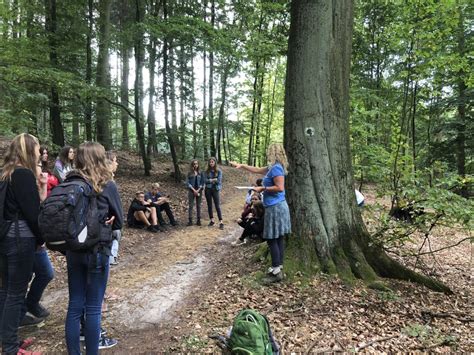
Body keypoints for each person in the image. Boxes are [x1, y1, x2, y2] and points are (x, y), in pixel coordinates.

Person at [64, 142, 123, 355]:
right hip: (98, 250)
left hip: (73, 251)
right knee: (94, 308)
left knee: (74, 305)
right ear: (99, 158)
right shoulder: (107, 183)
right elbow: (119, 222)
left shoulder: (69, 182)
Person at [0, 133, 47, 355]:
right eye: (37, 148)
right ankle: (10, 348)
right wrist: (41, 239)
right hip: (20, 240)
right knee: (16, 292)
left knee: (6, 290)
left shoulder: (5, 173)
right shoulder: (23, 174)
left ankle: (8, 340)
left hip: (5, 238)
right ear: (29, 150)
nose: (39, 152)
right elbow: (32, 213)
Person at [230, 143, 291, 284]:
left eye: (269, 151)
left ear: (273, 153)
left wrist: (262, 188)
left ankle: (276, 271)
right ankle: (278, 267)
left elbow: (280, 188)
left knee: (271, 238)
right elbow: (257, 170)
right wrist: (242, 165)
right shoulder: (272, 167)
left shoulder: (276, 168)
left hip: (276, 207)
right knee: (278, 237)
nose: (267, 154)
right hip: (276, 206)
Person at [19, 147, 56, 328]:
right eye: (38, 165)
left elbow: (42, 209)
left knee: (46, 273)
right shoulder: (21, 183)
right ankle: (19, 315)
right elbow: (30, 215)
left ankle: (30, 303)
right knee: (23, 278)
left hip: (35, 240)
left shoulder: (36, 183)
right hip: (24, 239)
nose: (42, 169)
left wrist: (42, 188)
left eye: (42, 165)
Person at [106, 151, 121, 265]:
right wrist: (118, 225)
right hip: (109, 222)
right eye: (115, 161)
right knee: (114, 236)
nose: (117, 164)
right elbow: (115, 206)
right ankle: (111, 257)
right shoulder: (109, 183)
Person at [204, 157, 224, 229]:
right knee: (209, 205)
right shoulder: (206, 171)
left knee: (217, 205)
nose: (211, 163)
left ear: (215, 162)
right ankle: (212, 220)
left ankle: (221, 222)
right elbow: (205, 180)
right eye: (210, 162)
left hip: (215, 189)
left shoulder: (219, 171)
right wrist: (213, 180)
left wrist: (210, 180)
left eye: (212, 162)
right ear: (209, 163)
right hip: (208, 189)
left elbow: (219, 181)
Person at [186, 159, 205, 226]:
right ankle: (190, 220)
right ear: (192, 165)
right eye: (194, 164)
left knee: (198, 205)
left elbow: (203, 182)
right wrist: (194, 190)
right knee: (191, 205)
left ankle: (198, 220)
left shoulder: (201, 172)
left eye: (196, 164)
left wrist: (198, 190)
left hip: (199, 190)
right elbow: (187, 183)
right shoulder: (189, 173)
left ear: (198, 164)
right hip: (191, 191)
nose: (195, 165)